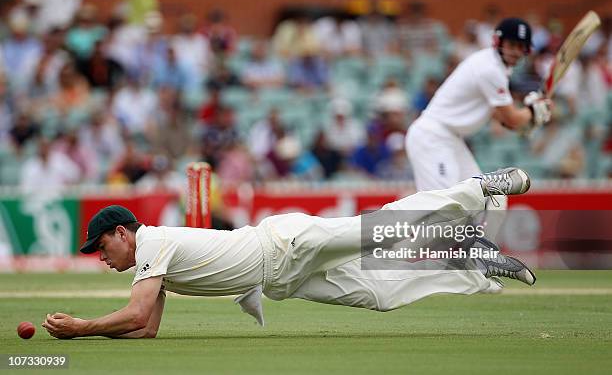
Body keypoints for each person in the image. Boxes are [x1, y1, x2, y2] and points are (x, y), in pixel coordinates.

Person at [42, 167, 535, 339]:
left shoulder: (151, 242)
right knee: (381, 296)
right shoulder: (154, 265)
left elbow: (134, 315)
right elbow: (145, 327)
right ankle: (467, 262)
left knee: (381, 229)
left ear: (124, 233)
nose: (101, 256)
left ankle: (476, 187)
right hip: (281, 280)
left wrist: (81, 328)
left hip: (283, 242)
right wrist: (87, 333)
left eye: (101, 245)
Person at [405, 18, 554, 242]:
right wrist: (533, 112)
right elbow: (512, 118)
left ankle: (482, 257)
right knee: (443, 209)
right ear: (498, 42)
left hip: (451, 139)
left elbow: (503, 118)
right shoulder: (490, 69)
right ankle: (393, 256)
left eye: (521, 46)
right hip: (432, 137)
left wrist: (529, 117)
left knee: (493, 197)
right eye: (511, 45)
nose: (515, 51)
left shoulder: (496, 69)